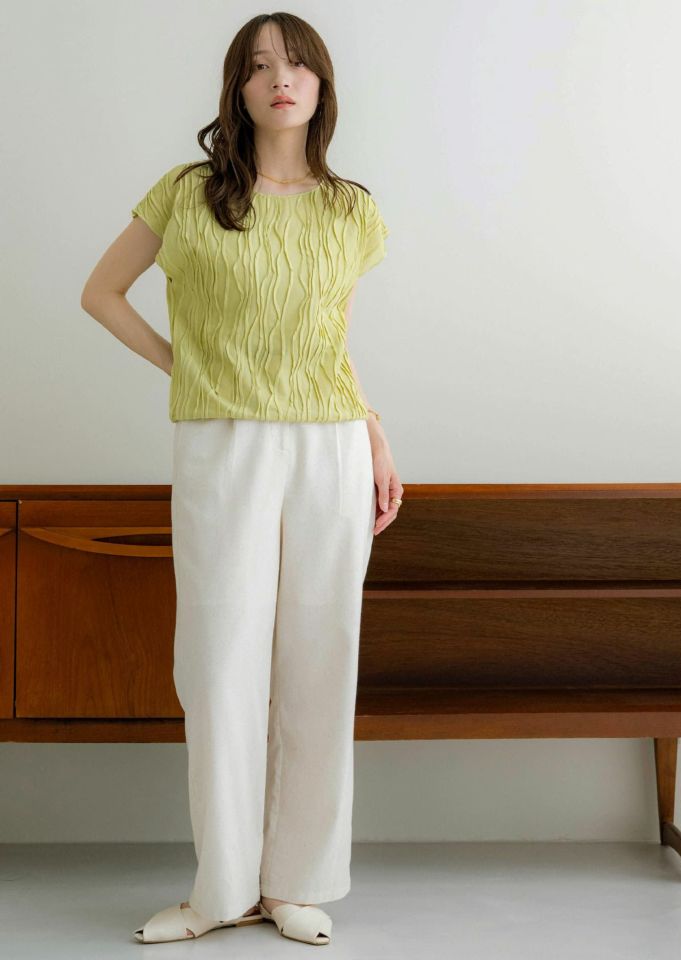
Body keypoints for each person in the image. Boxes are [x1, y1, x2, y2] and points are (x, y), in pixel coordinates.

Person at [80, 11, 403, 947]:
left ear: (321, 84)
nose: (280, 78)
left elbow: (329, 344)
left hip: (331, 444)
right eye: (260, 66)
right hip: (223, 442)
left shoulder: (351, 210)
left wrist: (375, 431)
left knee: (319, 656)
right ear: (239, 87)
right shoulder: (187, 194)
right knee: (220, 663)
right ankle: (220, 889)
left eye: (297, 64)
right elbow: (101, 293)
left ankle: (295, 881)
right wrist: (183, 366)